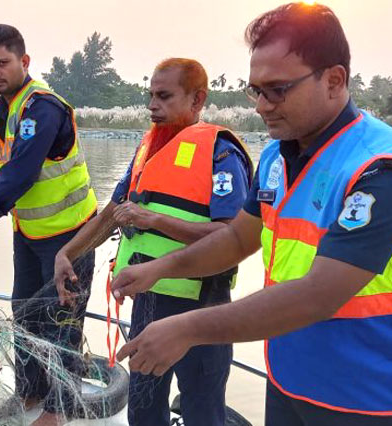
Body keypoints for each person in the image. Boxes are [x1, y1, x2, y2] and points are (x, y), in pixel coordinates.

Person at [111, 3, 392, 426]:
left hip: (363, 397)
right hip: (287, 379)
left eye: (277, 90)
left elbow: (319, 294)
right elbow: (237, 240)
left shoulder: (376, 168)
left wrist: (186, 328)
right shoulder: (279, 153)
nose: (261, 106)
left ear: (335, 80)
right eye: (254, 90)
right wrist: (159, 269)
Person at [54, 58, 252, 426]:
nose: (152, 106)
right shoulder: (147, 149)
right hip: (146, 300)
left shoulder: (221, 153)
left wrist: (154, 219)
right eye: (150, 96)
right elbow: (112, 212)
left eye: (164, 97)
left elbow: (233, 235)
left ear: (197, 100)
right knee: (143, 408)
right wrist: (68, 252)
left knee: (202, 408)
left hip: (201, 304)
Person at [0, 24, 97, 426]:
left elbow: (21, 173)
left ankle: (59, 408)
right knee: (26, 315)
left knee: (63, 320)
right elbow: (2, 175)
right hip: (30, 233)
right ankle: (29, 390)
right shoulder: (0, 110)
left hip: (71, 237)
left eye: (1, 62)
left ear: (24, 61)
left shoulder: (42, 107)